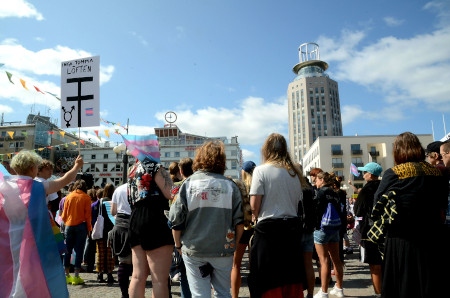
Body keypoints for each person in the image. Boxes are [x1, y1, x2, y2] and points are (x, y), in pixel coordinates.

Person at [373, 132, 449, 298]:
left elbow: (377, 204)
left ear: (398, 151)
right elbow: (443, 202)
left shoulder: (394, 172)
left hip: (401, 239)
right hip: (431, 237)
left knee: (403, 284)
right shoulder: (436, 172)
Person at [0, 150, 83, 297]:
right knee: (31, 275)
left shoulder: (3, 185)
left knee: (8, 271)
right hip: (32, 240)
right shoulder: (39, 186)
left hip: (7, 239)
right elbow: (65, 180)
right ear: (32, 168)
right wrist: (76, 167)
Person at [169, 140, 244, 298]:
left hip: (194, 248)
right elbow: (239, 223)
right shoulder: (231, 186)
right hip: (223, 248)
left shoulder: (188, 184)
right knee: (223, 293)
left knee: (199, 294)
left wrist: (178, 246)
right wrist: (233, 246)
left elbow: (176, 220)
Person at [247, 133, 305, 298]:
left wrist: (254, 216)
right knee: (290, 277)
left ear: (266, 149)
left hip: (269, 231)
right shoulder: (294, 173)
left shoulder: (261, 170)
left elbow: (254, 205)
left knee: (268, 279)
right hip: (292, 229)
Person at [127, 153, 175, 298]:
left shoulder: (132, 170)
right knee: (159, 279)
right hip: (155, 217)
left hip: (135, 218)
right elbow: (170, 193)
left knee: (137, 276)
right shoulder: (156, 167)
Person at [352, 162, 383, 298]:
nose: (363, 174)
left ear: (370, 175)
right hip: (386, 228)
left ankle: (378, 293)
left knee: (374, 265)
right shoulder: (385, 186)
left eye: (365, 172)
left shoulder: (366, 190)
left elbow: (357, 210)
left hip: (370, 230)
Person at [313, 171, 345, 298]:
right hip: (335, 229)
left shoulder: (320, 193)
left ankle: (324, 292)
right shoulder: (335, 193)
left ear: (322, 180)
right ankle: (339, 288)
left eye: (316, 180)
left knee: (324, 261)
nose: (315, 182)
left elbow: (316, 211)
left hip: (322, 229)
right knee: (336, 260)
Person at [169, 157, 193, 298]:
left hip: (178, 230)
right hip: (194, 231)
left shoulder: (174, 187)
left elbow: (174, 214)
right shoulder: (194, 184)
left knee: (184, 270)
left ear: (181, 171)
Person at [61, 179, 93, 285]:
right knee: (79, 250)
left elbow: (64, 214)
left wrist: (66, 223)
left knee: (67, 250)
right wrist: (89, 229)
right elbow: (88, 216)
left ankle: (66, 275)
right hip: (81, 225)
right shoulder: (86, 197)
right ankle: (76, 276)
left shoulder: (69, 196)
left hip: (69, 225)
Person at [231, 160, 256, 298]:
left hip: (241, 228)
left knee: (236, 265)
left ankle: (235, 296)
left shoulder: (237, 186)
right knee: (254, 266)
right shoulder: (258, 186)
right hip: (255, 229)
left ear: (243, 172)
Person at [109, 182, 132, 298]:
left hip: (121, 228)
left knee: (124, 262)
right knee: (138, 265)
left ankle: (125, 295)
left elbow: (113, 211)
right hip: (135, 226)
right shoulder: (141, 187)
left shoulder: (118, 189)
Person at [297, 164, 316, 298]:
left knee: (295, 264)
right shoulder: (310, 187)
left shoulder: (293, 186)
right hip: (309, 228)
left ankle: (298, 293)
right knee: (308, 264)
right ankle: (310, 293)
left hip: (296, 229)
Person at [96, 183, 116, 284]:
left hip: (100, 230)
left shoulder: (100, 202)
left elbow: (94, 213)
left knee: (100, 253)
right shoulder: (113, 202)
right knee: (110, 254)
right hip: (111, 230)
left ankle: (100, 275)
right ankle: (109, 274)